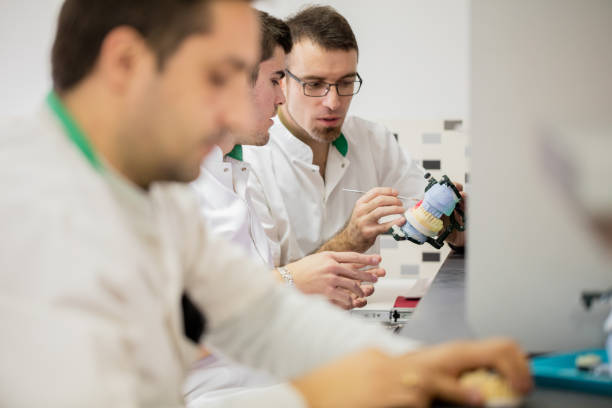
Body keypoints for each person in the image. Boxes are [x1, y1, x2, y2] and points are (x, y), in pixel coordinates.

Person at [0, 1, 531, 407]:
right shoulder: (29, 216)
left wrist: (416, 364)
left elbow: (256, 315)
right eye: (218, 77)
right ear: (125, 64)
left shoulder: (151, 191)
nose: (242, 107)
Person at [244, 5, 466, 266]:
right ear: (283, 81)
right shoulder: (251, 161)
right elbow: (264, 290)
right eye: (315, 84)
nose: (333, 102)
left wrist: (452, 224)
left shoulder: (372, 141)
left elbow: (423, 210)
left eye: (346, 82)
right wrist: (349, 240)